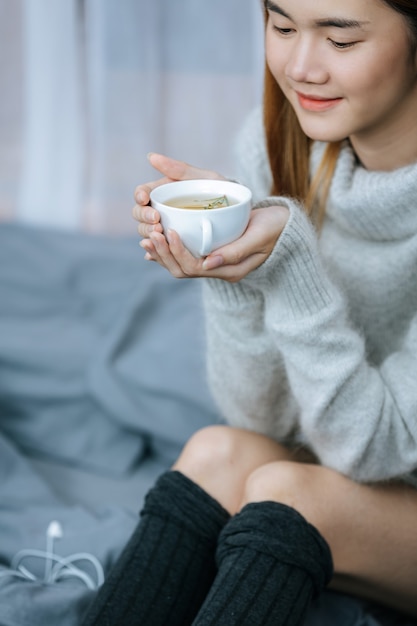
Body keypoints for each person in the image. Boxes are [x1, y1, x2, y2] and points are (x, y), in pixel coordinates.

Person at [82, 0, 417, 624]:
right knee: (218, 451)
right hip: (353, 479)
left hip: (385, 479)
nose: (299, 66)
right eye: (282, 27)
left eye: (340, 41)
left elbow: (370, 451)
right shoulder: (278, 144)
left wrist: (290, 269)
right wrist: (232, 271)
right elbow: (261, 418)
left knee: (291, 494)